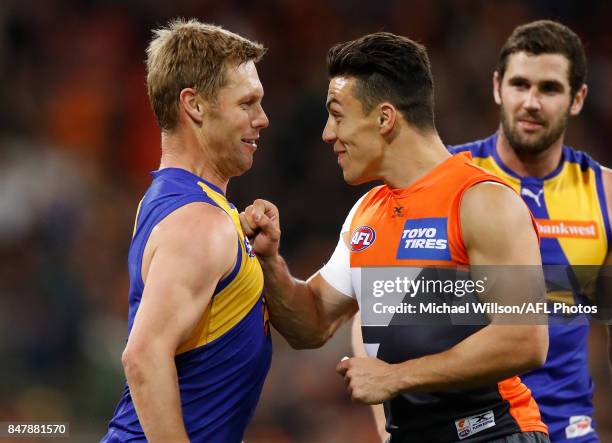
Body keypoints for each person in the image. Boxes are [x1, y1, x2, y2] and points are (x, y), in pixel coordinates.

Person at [241, 32, 550, 442]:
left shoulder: (482, 201)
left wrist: (397, 376)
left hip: (493, 433)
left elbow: (525, 339)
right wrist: (271, 262)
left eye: (337, 115)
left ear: (385, 118)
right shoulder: (367, 213)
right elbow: (311, 323)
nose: (327, 134)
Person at [356, 20, 612, 443]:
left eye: (548, 88)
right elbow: (376, 304)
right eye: (519, 84)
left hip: (568, 428)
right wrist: (389, 430)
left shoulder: (604, 195)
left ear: (577, 98)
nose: (530, 102)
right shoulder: (446, 182)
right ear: (497, 87)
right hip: (470, 428)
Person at [100, 19, 271, 443]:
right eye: (247, 103)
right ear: (194, 105)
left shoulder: (185, 205)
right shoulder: (200, 224)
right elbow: (143, 357)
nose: (263, 119)